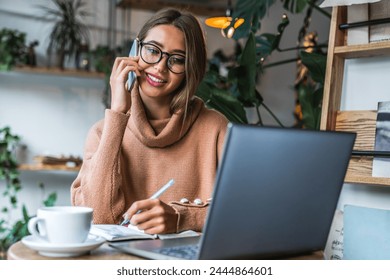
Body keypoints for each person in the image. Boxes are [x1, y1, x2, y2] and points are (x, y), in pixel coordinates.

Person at [71, 8, 228, 235]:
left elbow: (243, 210)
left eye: (177, 59)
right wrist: (117, 115)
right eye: (153, 50)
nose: (160, 67)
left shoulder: (215, 128)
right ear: (136, 49)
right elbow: (97, 217)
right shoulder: (102, 132)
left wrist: (180, 219)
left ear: (190, 68)